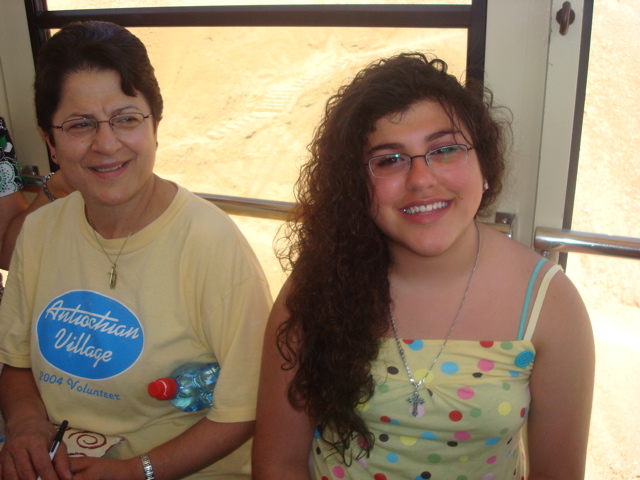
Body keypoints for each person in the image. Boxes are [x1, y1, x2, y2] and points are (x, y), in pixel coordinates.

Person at [253, 53, 594, 480]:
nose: (420, 179)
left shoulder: (549, 302)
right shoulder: (317, 284)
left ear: (483, 164)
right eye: (389, 159)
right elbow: (277, 463)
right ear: (355, 185)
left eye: (445, 149)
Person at [0, 21, 271, 480]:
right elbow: (16, 361)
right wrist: (26, 426)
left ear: (156, 126)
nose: (106, 144)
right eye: (80, 124)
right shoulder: (41, 231)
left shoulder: (210, 244)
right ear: (50, 142)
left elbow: (244, 408)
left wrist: (133, 471)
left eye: (126, 118)